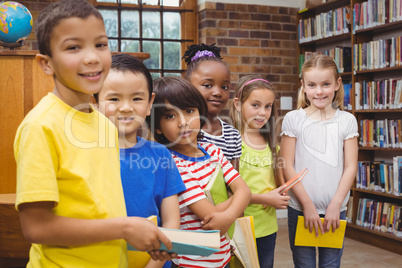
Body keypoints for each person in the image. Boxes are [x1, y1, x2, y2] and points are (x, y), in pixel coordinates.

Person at [13, 1, 172, 267]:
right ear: (46, 64)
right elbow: (36, 227)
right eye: (74, 47)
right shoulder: (40, 127)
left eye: (100, 44)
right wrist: (124, 229)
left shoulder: (104, 124)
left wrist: (142, 239)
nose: (92, 57)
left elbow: (99, 209)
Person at [95, 53, 186, 268]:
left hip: (153, 263)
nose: (126, 107)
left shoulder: (161, 155)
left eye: (136, 98)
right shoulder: (84, 155)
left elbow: (172, 221)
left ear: (149, 103)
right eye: (114, 99)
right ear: (95, 102)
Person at [150, 76, 251, 268]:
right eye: (170, 116)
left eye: (189, 111)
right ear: (158, 128)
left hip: (223, 257)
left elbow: (245, 191)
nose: (183, 122)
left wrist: (228, 215)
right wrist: (236, 199)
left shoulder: (211, 149)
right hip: (192, 262)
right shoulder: (172, 163)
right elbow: (210, 216)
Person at [280, 54, 358, 268]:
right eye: (312, 85)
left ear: (337, 84)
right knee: (303, 265)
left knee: (330, 265)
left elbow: (351, 166)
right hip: (300, 209)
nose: (319, 91)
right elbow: (287, 163)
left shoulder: (347, 120)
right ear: (303, 86)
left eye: (326, 84)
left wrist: (335, 205)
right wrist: (307, 205)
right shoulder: (293, 119)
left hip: (336, 210)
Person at [229, 75, 290, 267]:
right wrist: (266, 199)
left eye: (268, 106)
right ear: (238, 104)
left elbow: (276, 185)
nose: (262, 112)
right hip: (237, 227)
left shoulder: (273, 146)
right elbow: (229, 193)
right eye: (255, 105)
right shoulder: (232, 144)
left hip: (267, 228)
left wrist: (281, 193)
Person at [182, 43, 242, 171]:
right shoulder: (181, 130)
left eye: (224, 87)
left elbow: (235, 183)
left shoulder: (233, 136)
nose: (218, 93)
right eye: (208, 85)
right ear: (188, 85)